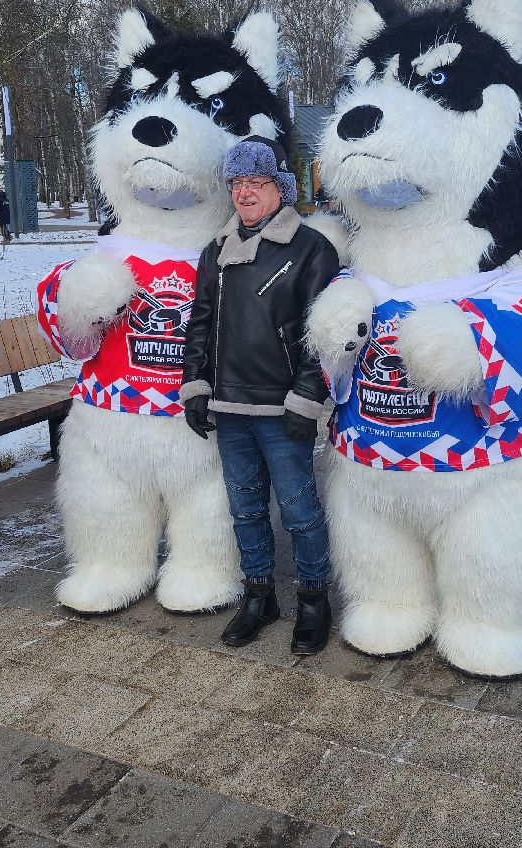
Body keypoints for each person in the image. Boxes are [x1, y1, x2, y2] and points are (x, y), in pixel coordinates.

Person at [180, 135, 340, 654]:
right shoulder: (217, 249)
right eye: (237, 183)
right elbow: (199, 322)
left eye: (256, 182)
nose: (244, 193)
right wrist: (195, 385)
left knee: (299, 510)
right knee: (245, 508)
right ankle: (259, 595)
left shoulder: (311, 248)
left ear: (279, 188)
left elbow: (326, 333)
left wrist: (307, 398)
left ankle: (314, 600)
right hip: (229, 407)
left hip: (281, 409)